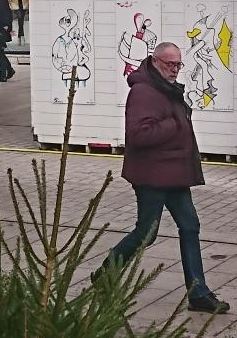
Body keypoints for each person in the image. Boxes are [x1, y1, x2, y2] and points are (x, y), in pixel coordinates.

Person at [94, 42, 228, 315]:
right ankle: (105, 273)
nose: (175, 70)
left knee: (190, 226)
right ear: (155, 62)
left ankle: (198, 292)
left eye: (178, 64)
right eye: (170, 64)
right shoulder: (144, 91)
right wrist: (175, 124)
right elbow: (138, 135)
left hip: (174, 173)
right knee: (147, 232)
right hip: (152, 176)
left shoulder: (165, 87)